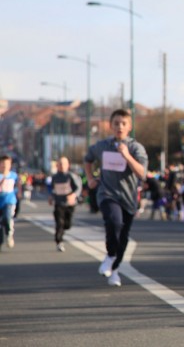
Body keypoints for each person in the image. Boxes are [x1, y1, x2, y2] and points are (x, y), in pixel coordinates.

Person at [84, 109, 148, 287]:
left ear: (129, 127)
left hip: (128, 198)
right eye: (116, 123)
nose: (119, 126)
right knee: (114, 222)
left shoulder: (136, 148)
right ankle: (111, 255)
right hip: (107, 193)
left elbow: (142, 173)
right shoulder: (102, 146)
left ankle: (115, 269)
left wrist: (126, 156)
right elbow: (87, 159)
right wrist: (90, 178)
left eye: (123, 123)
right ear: (111, 126)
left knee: (123, 236)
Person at [48, 156, 83, 252]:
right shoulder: (54, 177)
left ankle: (63, 230)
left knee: (67, 225)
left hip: (70, 205)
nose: (62, 166)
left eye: (64, 164)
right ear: (57, 165)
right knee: (59, 223)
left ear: (68, 165)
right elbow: (52, 189)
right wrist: (51, 197)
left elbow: (78, 188)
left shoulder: (71, 176)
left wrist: (74, 195)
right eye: (60, 164)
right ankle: (59, 241)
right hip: (59, 204)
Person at [0, 154, 21, 251]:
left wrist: (19, 192)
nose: (4, 166)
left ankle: (9, 234)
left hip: (10, 201)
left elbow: (18, 184)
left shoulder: (13, 175)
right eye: (2, 164)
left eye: (7, 164)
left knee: (7, 217)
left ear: (10, 165)